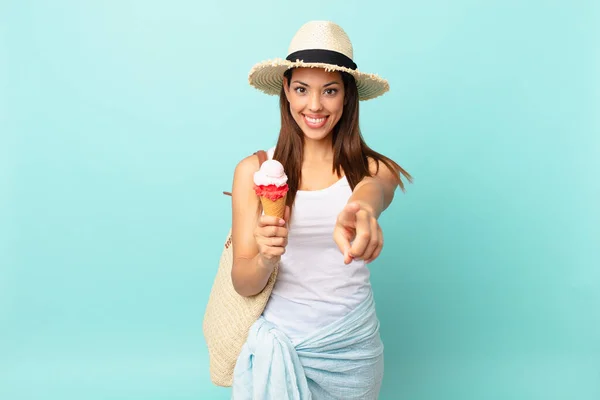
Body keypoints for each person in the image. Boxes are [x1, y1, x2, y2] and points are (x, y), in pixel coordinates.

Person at [229, 21, 412, 400]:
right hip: (281, 346)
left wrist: (359, 209)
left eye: (329, 91)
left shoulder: (375, 169)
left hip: (352, 351)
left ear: (347, 96)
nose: (314, 106)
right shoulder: (254, 171)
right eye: (302, 89)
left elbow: (372, 192)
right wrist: (265, 257)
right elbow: (243, 282)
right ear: (286, 89)